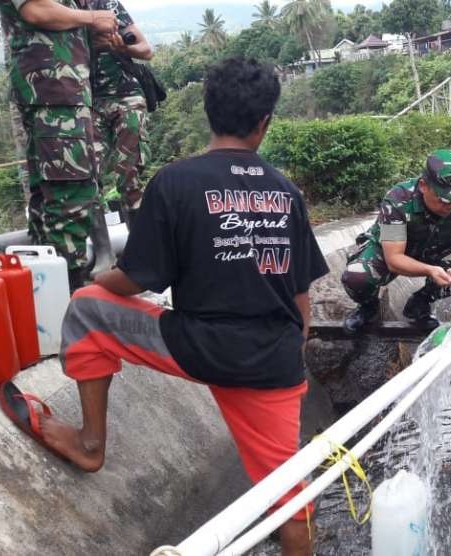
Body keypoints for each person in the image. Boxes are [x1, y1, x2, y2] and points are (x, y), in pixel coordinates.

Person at [37, 58, 327, 555]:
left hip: (197, 346)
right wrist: (290, 351)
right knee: (289, 501)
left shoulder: (175, 182)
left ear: (209, 114)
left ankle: (90, 443)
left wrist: (96, 279)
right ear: (265, 124)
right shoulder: (285, 191)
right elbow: (301, 295)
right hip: (273, 360)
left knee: (87, 308)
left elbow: (135, 280)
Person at [0, 0, 118, 288]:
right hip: (52, 92)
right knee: (70, 195)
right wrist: (92, 18)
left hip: (62, 91)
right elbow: (35, 10)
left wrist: (92, 36)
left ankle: (49, 299)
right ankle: (66, 302)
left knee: (55, 195)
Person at [341, 148, 451, 334]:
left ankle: (420, 303)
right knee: (356, 277)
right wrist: (430, 271)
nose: (450, 206)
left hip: (434, 249)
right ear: (424, 186)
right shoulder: (398, 200)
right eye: (443, 200)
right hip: (390, 251)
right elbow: (394, 259)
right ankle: (369, 308)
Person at [90, 0, 152, 228]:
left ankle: (140, 243)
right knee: (86, 176)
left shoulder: (108, 5)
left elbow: (146, 50)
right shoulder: (68, 9)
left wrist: (120, 47)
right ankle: (102, 249)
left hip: (126, 96)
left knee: (129, 172)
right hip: (88, 101)